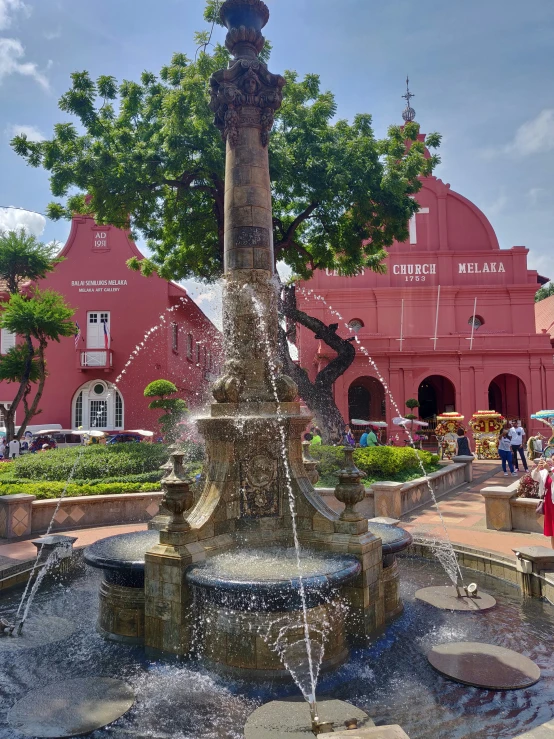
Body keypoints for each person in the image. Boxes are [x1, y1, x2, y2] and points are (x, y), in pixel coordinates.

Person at [531, 458, 554, 549]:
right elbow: (535, 477)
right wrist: (538, 468)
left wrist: (548, 470)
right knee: (552, 530)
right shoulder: (548, 470)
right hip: (549, 502)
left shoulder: (549, 470)